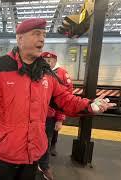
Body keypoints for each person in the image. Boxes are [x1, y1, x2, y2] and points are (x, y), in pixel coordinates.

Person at [0, 18, 116, 180]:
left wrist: (89, 106)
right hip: (5, 153)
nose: (42, 39)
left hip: (33, 153)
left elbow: (64, 99)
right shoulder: (1, 66)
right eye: (36, 34)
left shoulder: (45, 72)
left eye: (44, 35)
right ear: (20, 39)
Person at [37, 51, 74, 180]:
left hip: (49, 116)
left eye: (50, 60)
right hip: (34, 115)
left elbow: (65, 99)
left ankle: (44, 165)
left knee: (45, 142)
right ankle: (31, 163)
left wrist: (60, 119)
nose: (48, 62)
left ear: (55, 61)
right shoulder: (36, 71)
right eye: (45, 60)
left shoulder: (61, 74)